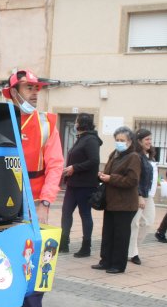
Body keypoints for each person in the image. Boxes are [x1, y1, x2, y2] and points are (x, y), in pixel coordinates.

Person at [2, 69, 64, 307]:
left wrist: (46, 202)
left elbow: (55, 164)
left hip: (34, 203)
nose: (36, 93)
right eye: (29, 88)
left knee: (36, 263)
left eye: (38, 88)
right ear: (13, 91)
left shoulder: (47, 122)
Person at [91, 126, 141, 274]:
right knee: (108, 233)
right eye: (117, 140)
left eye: (122, 140)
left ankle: (118, 265)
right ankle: (105, 261)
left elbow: (132, 180)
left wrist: (111, 178)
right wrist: (102, 175)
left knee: (121, 235)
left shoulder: (133, 157)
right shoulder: (115, 154)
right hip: (111, 202)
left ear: (130, 142)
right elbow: (109, 173)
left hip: (125, 204)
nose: (119, 142)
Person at [59, 113, 102, 257]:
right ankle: (64, 243)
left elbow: (94, 161)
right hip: (73, 184)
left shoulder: (91, 140)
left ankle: (86, 247)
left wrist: (74, 168)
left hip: (85, 185)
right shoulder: (81, 138)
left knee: (85, 215)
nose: (75, 124)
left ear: (82, 123)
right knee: (66, 212)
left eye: (76, 121)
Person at [128, 129, 157, 265]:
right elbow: (136, 178)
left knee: (148, 222)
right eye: (147, 139)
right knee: (135, 224)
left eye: (150, 139)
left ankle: (133, 247)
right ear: (139, 141)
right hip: (138, 195)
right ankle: (133, 252)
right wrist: (139, 195)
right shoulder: (136, 156)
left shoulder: (149, 155)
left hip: (148, 195)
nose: (149, 142)